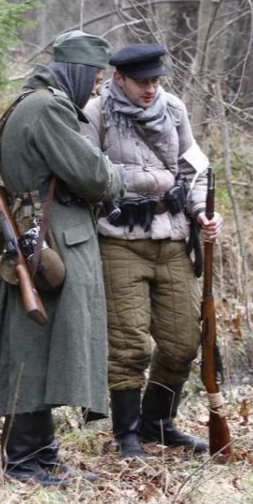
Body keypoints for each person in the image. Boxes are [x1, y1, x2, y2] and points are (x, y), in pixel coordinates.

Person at [0, 30, 125, 486]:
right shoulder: (48, 107)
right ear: (79, 72)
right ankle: (26, 461)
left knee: (37, 348)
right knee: (36, 349)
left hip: (41, 239)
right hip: (55, 241)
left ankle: (39, 456)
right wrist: (117, 175)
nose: (98, 87)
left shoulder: (32, 102)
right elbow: (94, 177)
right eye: (96, 77)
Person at [81, 44, 223, 459]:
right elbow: (87, 175)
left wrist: (201, 212)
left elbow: (194, 169)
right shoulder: (95, 114)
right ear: (119, 79)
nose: (150, 89)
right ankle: (126, 435)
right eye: (142, 82)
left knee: (182, 342)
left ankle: (158, 423)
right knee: (129, 345)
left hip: (173, 237)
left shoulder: (173, 109)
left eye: (156, 81)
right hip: (119, 240)